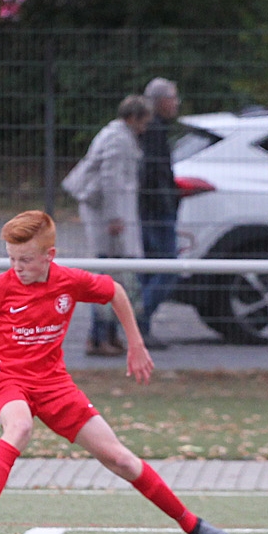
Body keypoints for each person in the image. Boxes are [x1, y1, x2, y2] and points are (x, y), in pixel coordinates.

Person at [0, 210, 231, 534]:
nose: (16, 267)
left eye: (25, 259)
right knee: (20, 426)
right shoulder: (0, 288)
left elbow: (115, 291)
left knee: (120, 459)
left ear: (50, 255)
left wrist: (135, 343)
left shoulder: (68, 281)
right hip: (6, 378)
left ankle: (191, 523)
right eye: (11, 259)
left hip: (54, 384)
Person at [64, 95, 151, 355]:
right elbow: (110, 178)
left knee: (115, 275)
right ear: (133, 118)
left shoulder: (117, 135)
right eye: (144, 121)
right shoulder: (118, 139)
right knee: (108, 277)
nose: (145, 127)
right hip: (109, 218)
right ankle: (99, 336)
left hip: (112, 215)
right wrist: (114, 217)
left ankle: (107, 334)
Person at [137, 78, 181, 349]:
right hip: (155, 211)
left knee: (151, 269)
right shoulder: (154, 131)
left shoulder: (156, 129)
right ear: (161, 101)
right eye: (173, 98)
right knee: (167, 268)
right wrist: (167, 202)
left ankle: (139, 324)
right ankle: (139, 317)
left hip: (154, 209)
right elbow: (153, 173)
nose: (177, 103)